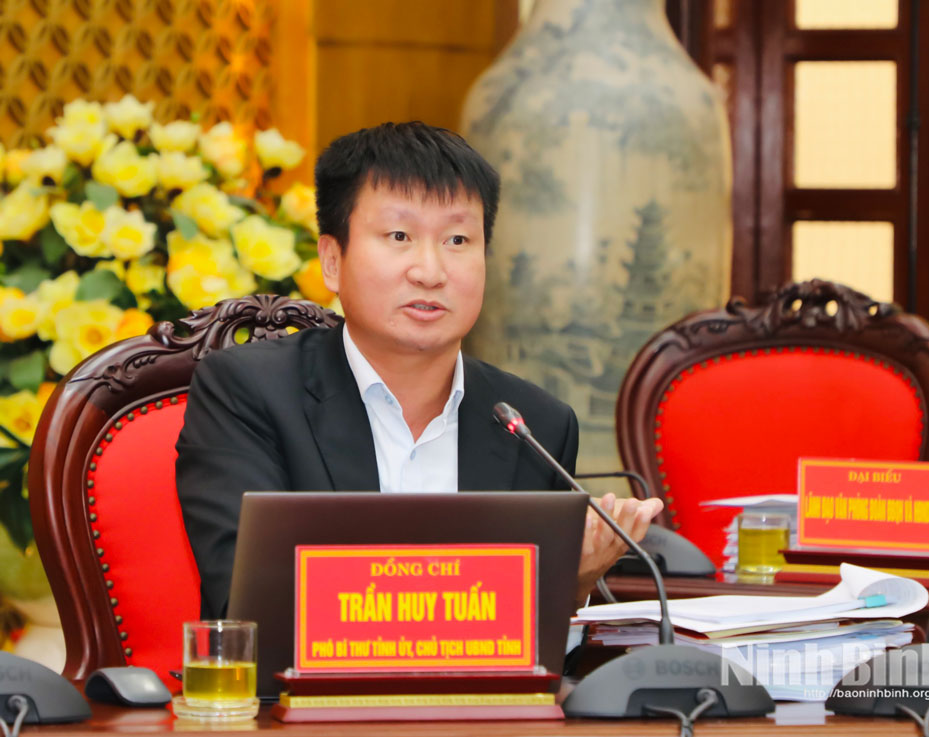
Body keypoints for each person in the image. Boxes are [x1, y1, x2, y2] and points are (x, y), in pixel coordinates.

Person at [176, 122, 663, 619]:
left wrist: (571, 583)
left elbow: (538, 648)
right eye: (399, 236)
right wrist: (516, 587)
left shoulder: (535, 424)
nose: (430, 272)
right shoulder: (249, 393)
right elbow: (250, 607)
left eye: (457, 239)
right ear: (332, 260)